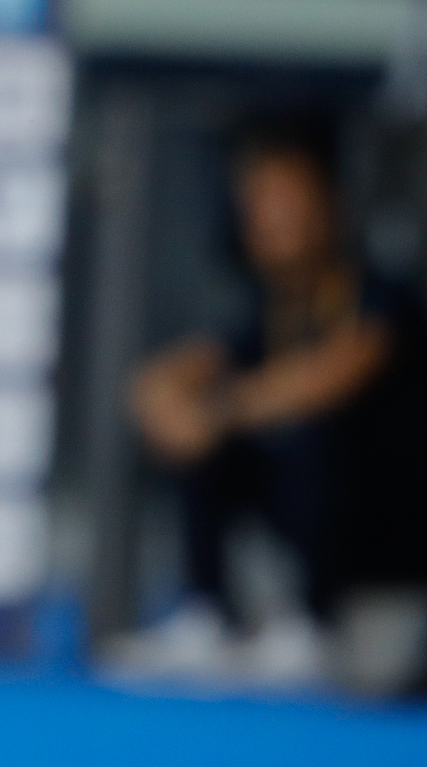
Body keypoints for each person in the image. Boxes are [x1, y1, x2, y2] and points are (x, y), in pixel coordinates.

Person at [116, 114, 423, 685]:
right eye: (258, 201)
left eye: (287, 198)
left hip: (392, 537)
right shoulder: (264, 310)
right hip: (297, 524)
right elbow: (185, 370)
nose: (272, 216)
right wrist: (164, 397)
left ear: (329, 204)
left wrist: (220, 409)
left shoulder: (382, 295)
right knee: (199, 437)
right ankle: (206, 614)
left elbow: (328, 377)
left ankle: (312, 627)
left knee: (314, 431)